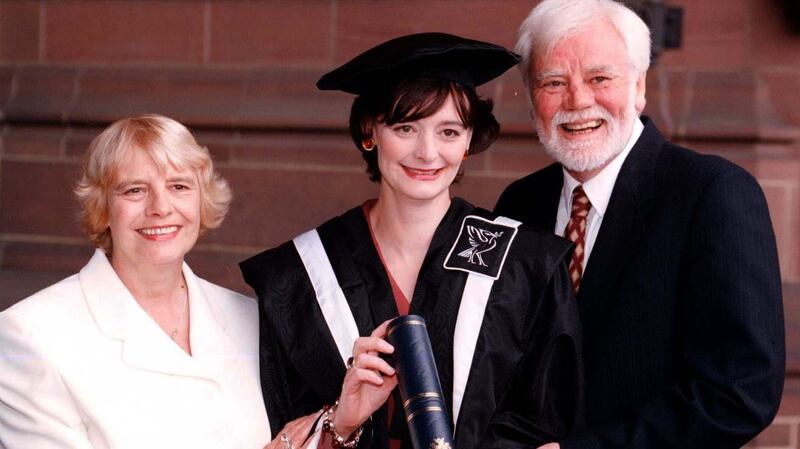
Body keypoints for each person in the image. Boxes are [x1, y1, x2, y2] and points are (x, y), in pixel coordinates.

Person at [240, 32, 583, 449]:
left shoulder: (525, 266)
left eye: (449, 132)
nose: (427, 153)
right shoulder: (298, 277)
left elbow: (547, 425)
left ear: (469, 142)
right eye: (405, 128)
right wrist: (340, 423)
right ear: (370, 132)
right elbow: (277, 427)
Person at [0, 115, 393, 449]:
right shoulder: (32, 335)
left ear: (200, 201)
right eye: (134, 190)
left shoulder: (248, 316)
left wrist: (340, 419)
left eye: (179, 186)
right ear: (103, 208)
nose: (160, 207)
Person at [494, 1, 785, 448]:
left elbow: (739, 391)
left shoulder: (712, 194)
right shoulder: (519, 204)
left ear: (639, 86)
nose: (578, 101)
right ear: (533, 99)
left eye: (599, 78)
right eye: (554, 82)